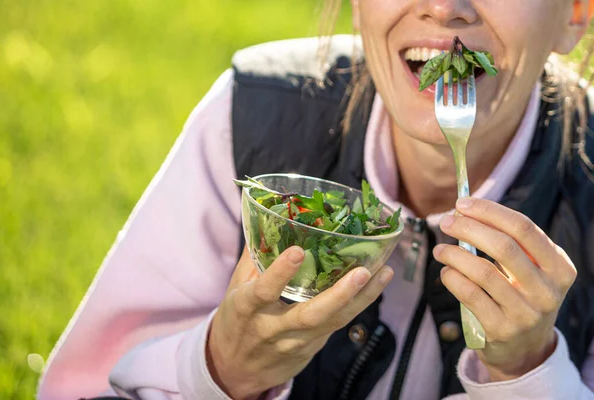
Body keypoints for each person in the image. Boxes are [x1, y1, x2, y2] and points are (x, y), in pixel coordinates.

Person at [38, 1, 594, 399]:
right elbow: (81, 389)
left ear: (575, 13)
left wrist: (530, 375)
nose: (445, 7)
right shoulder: (253, 118)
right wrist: (222, 371)